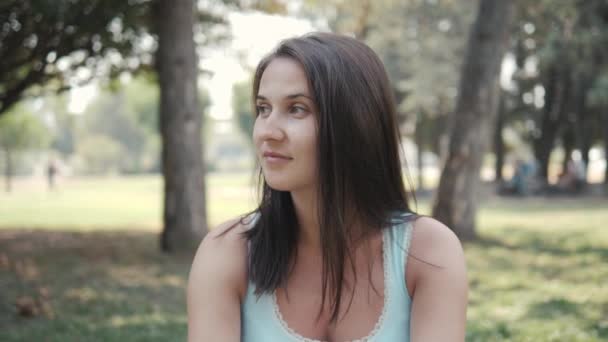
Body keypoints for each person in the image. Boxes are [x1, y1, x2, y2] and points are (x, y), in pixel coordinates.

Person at [187, 32, 468, 341]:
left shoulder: (428, 252)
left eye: (297, 109)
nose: (268, 131)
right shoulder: (227, 253)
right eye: (264, 108)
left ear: (356, 124)